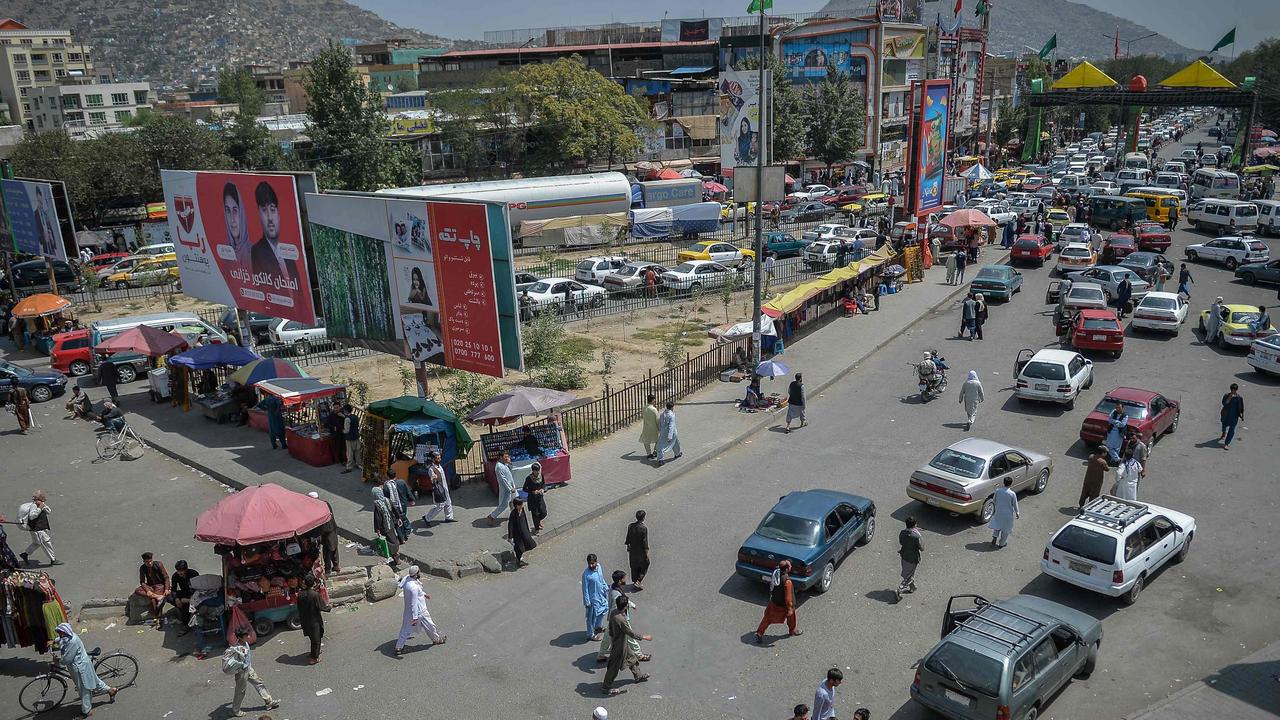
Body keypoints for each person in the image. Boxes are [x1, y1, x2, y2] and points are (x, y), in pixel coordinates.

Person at [55, 623, 117, 718]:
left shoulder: (72, 641)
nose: (60, 635)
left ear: (65, 632)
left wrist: (58, 660)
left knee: (84, 690)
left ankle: (87, 711)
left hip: (80, 668)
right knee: (94, 682)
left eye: (60, 633)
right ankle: (111, 690)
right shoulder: (70, 636)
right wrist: (55, 641)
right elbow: (62, 640)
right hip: (82, 664)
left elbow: (67, 659)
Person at [249, 181, 301, 287]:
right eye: (264, 210)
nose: (269, 218)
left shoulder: (289, 253)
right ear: (258, 213)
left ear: (278, 214)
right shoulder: (257, 252)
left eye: (272, 210)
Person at [601, 593, 651, 696]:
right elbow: (630, 633)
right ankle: (606, 687)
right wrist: (644, 637)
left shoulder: (614, 612)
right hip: (619, 646)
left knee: (632, 657)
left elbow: (610, 627)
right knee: (613, 667)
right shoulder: (621, 620)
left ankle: (638, 676)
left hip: (621, 643)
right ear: (625, 606)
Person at [597, 570, 647, 663]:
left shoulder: (614, 587)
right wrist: (624, 616)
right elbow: (617, 606)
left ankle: (601, 655)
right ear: (620, 580)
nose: (625, 579)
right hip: (620, 618)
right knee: (630, 637)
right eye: (624, 578)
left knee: (607, 637)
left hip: (613, 619)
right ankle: (639, 655)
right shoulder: (616, 594)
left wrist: (631, 604)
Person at [229, 625, 279, 716]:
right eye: (245, 636)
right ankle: (235, 711)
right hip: (241, 673)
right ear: (240, 637)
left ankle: (269, 702)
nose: (248, 636)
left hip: (249, 669)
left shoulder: (245, 642)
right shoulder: (238, 649)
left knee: (259, 683)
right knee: (240, 691)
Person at [395, 566, 445, 655]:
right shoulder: (413, 588)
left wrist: (424, 594)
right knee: (430, 626)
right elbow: (414, 603)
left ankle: (398, 647)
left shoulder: (407, 578)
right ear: (416, 574)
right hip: (420, 611)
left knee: (405, 629)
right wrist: (415, 618)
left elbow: (401, 585)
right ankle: (436, 640)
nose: (420, 572)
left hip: (408, 611)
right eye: (419, 571)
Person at [755, 559, 802, 642]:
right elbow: (788, 597)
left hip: (774, 601)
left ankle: (760, 632)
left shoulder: (776, 573)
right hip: (783, 605)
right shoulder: (787, 581)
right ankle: (792, 630)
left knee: (767, 618)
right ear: (787, 569)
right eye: (790, 566)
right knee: (791, 616)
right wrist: (790, 608)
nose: (791, 567)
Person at [296, 575, 329, 664]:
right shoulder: (314, 595)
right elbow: (322, 606)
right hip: (314, 621)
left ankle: (314, 653)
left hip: (305, 620)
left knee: (312, 638)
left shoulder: (300, 595)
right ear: (313, 583)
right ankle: (314, 658)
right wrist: (330, 607)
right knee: (316, 640)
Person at [19, 490, 58, 566]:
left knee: (36, 543)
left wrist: (43, 506)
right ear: (39, 497)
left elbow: (49, 511)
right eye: (43, 496)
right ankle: (53, 560)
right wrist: (39, 508)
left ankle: (25, 554)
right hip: (38, 529)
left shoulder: (41, 504)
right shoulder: (34, 505)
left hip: (38, 528)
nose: (44, 497)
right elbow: (32, 516)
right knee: (46, 543)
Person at [307, 492, 340, 573]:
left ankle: (329, 568)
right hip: (330, 529)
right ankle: (335, 566)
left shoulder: (314, 507)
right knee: (333, 548)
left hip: (326, 531)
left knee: (328, 550)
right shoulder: (325, 503)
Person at [370, 479, 400, 569]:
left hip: (385, 527)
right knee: (393, 538)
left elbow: (378, 518)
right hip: (391, 523)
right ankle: (396, 555)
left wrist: (377, 529)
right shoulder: (387, 500)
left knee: (390, 543)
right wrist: (398, 518)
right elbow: (395, 509)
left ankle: (395, 557)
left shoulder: (377, 505)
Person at [135, 552, 169, 628]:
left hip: (159, 585)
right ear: (144, 562)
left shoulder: (159, 564)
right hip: (150, 586)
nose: (149, 563)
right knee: (137, 590)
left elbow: (166, 577)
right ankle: (157, 596)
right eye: (147, 562)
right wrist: (148, 591)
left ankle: (158, 619)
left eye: (150, 561)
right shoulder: (142, 568)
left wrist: (166, 589)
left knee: (154, 601)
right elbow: (142, 582)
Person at [422, 451, 456, 526]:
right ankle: (427, 518)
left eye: (440, 457)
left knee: (448, 502)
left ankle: (449, 517)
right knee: (440, 505)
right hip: (438, 490)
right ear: (433, 459)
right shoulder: (431, 469)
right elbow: (433, 477)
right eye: (437, 458)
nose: (439, 459)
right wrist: (434, 477)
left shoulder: (439, 466)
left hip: (444, 488)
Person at [581, 553, 609, 641]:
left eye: (592, 563)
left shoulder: (599, 567)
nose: (591, 565)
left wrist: (605, 587)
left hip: (601, 595)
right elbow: (584, 589)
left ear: (596, 562)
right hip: (593, 599)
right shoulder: (586, 575)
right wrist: (587, 602)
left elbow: (601, 579)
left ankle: (598, 626)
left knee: (604, 610)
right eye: (589, 563)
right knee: (591, 617)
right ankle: (590, 634)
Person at [166, 559, 199, 632]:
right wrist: (177, 599)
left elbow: (198, 588)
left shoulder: (193, 574)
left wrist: (189, 598)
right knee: (169, 597)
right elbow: (174, 589)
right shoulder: (175, 576)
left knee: (185, 605)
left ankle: (185, 624)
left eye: (181, 571)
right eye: (178, 571)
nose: (179, 573)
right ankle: (183, 614)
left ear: (186, 569)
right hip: (183, 593)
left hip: (193, 594)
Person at [988, 477, 1020, 548]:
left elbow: (994, 500)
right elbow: (1015, 504)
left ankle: (995, 536)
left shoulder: (998, 490)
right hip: (1008, 515)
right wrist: (1017, 513)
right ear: (1011, 484)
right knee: (1006, 529)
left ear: (1003, 482)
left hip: (999, 512)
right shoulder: (1012, 494)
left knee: (997, 525)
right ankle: (1002, 543)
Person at [897, 516, 922, 601]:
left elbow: (901, 542)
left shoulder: (902, 532)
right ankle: (900, 589)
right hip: (912, 558)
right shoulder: (916, 536)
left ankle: (912, 587)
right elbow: (922, 548)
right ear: (914, 525)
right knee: (909, 575)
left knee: (908, 572)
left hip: (904, 555)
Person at [489, 450, 516, 526]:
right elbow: (503, 480)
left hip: (511, 487)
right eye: (506, 456)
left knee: (513, 502)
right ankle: (492, 516)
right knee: (504, 505)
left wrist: (510, 463)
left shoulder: (504, 464)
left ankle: (514, 516)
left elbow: (510, 471)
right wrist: (510, 489)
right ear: (501, 457)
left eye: (508, 456)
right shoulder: (499, 467)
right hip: (506, 489)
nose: (507, 458)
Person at [507, 497, 536, 567]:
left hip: (524, 531)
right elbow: (510, 525)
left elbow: (525, 519)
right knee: (519, 548)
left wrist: (527, 529)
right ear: (517, 505)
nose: (522, 506)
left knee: (530, 543)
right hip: (517, 534)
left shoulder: (522, 510)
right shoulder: (513, 514)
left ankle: (520, 556)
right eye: (521, 504)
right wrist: (510, 536)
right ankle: (519, 560)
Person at [625, 510, 650, 591]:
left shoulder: (630, 526)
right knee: (645, 565)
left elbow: (628, 538)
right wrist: (646, 553)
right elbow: (645, 542)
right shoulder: (643, 528)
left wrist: (628, 546)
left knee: (634, 566)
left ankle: (635, 580)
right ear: (643, 518)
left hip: (632, 551)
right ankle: (638, 581)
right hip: (641, 552)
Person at [1219, 383, 1244, 449]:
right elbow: (1224, 403)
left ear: (1236, 390)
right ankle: (1223, 433)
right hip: (1225, 415)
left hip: (1234, 417)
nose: (1233, 391)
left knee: (1232, 429)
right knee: (1224, 425)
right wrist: (1229, 398)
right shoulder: (1226, 395)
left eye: (1235, 390)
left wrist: (1241, 415)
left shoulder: (1239, 398)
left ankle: (1226, 443)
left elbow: (1241, 407)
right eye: (1232, 390)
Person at [655, 401, 681, 466]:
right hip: (671, 433)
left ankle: (676, 454)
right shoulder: (672, 415)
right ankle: (661, 459)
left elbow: (660, 424)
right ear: (672, 407)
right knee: (674, 443)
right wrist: (670, 436)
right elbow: (671, 426)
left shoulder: (662, 414)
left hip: (663, 432)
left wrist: (660, 431)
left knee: (661, 445)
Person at [339, 404, 360, 474]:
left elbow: (346, 430)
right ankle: (358, 464)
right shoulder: (355, 417)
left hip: (349, 438)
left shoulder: (347, 419)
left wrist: (342, 431)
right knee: (357, 452)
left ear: (345, 411)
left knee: (350, 453)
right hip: (356, 436)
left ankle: (349, 467)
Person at [639, 394, 660, 459]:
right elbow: (657, 419)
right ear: (653, 400)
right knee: (658, 439)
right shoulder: (654, 409)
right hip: (653, 427)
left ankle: (648, 453)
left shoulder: (644, 408)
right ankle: (655, 451)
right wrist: (659, 426)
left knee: (646, 440)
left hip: (646, 427)